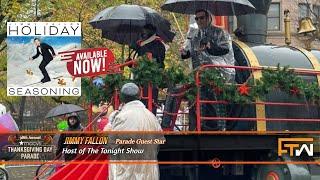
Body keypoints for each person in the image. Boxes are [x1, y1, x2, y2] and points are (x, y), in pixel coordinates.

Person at [180, 9, 235, 131]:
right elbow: (191, 53)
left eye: (202, 18)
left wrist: (210, 46)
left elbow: (225, 49)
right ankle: (196, 126)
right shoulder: (195, 35)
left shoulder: (220, 32)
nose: (199, 20)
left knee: (216, 99)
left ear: (209, 18)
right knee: (188, 94)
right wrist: (184, 53)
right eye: (197, 18)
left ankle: (221, 127)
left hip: (218, 74)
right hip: (198, 74)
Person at [108, 82, 164, 180]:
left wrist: (110, 125)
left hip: (127, 174)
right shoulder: (151, 116)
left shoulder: (122, 117)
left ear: (122, 98)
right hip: (149, 172)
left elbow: (111, 145)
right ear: (139, 96)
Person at [131, 24, 167, 115]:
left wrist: (143, 48)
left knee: (149, 104)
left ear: (151, 32)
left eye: (145, 31)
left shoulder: (158, 44)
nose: (142, 34)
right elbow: (138, 62)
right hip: (139, 79)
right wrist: (131, 62)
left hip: (151, 80)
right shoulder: (140, 45)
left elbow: (158, 61)